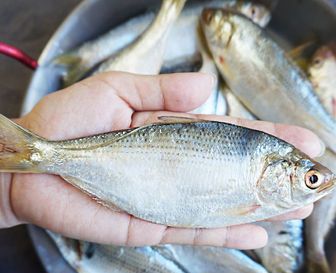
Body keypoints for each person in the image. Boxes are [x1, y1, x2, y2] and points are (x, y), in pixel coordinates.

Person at [0, 72, 324, 249]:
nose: (316, 184)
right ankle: (37, 152)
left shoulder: (260, 193)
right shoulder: (259, 194)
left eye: (313, 180)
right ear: (277, 171)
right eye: (312, 179)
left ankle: (35, 153)